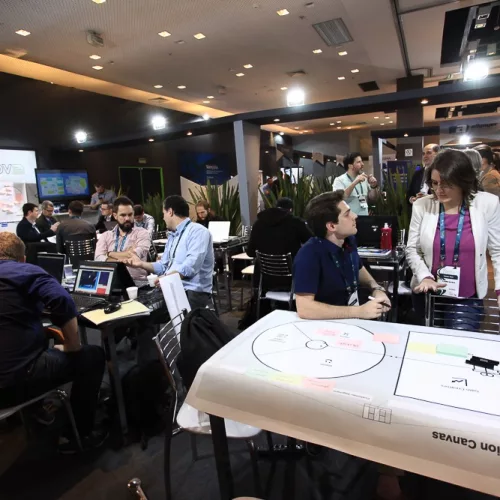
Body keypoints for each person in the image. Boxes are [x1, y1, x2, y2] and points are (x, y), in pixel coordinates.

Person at [0, 233, 106, 453]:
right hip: (15, 382)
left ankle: (35, 413)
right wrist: (72, 345)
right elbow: (61, 300)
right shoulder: (26, 271)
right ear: (23, 258)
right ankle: (79, 433)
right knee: (92, 356)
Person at [406, 149, 500, 331]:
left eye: (446, 184)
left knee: (458, 349)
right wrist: (424, 275)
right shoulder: (422, 206)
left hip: (466, 298)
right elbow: (412, 249)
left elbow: (497, 250)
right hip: (428, 295)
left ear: (462, 181)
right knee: (428, 349)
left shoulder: (487, 204)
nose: (439, 190)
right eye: (434, 183)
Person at [293, 191, 391, 319]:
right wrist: (358, 312)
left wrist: (376, 288)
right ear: (332, 226)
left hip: (350, 320)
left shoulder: (349, 240)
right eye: (347, 214)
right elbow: (305, 309)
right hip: (324, 325)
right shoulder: (309, 255)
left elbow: (359, 268)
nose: (355, 216)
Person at [124, 195, 214, 310]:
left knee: (145, 313)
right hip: (171, 287)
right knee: (137, 309)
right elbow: (163, 266)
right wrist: (141, 264)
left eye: (163, 213)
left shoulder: (198, 232)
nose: (163, 218)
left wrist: (166, 278)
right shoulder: (172, 235)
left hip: (191, 291)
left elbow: (191, 267)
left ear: (170, 212)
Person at [94, 197, 150, 281]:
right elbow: (98, 259)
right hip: (110, 281)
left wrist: (109, 254)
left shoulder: (142, 233)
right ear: (115, 215)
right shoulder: (106, 236)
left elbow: (134, 255)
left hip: (136, 281)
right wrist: (126, 254)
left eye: (130, 215)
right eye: (123, 215)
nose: (127, 218)